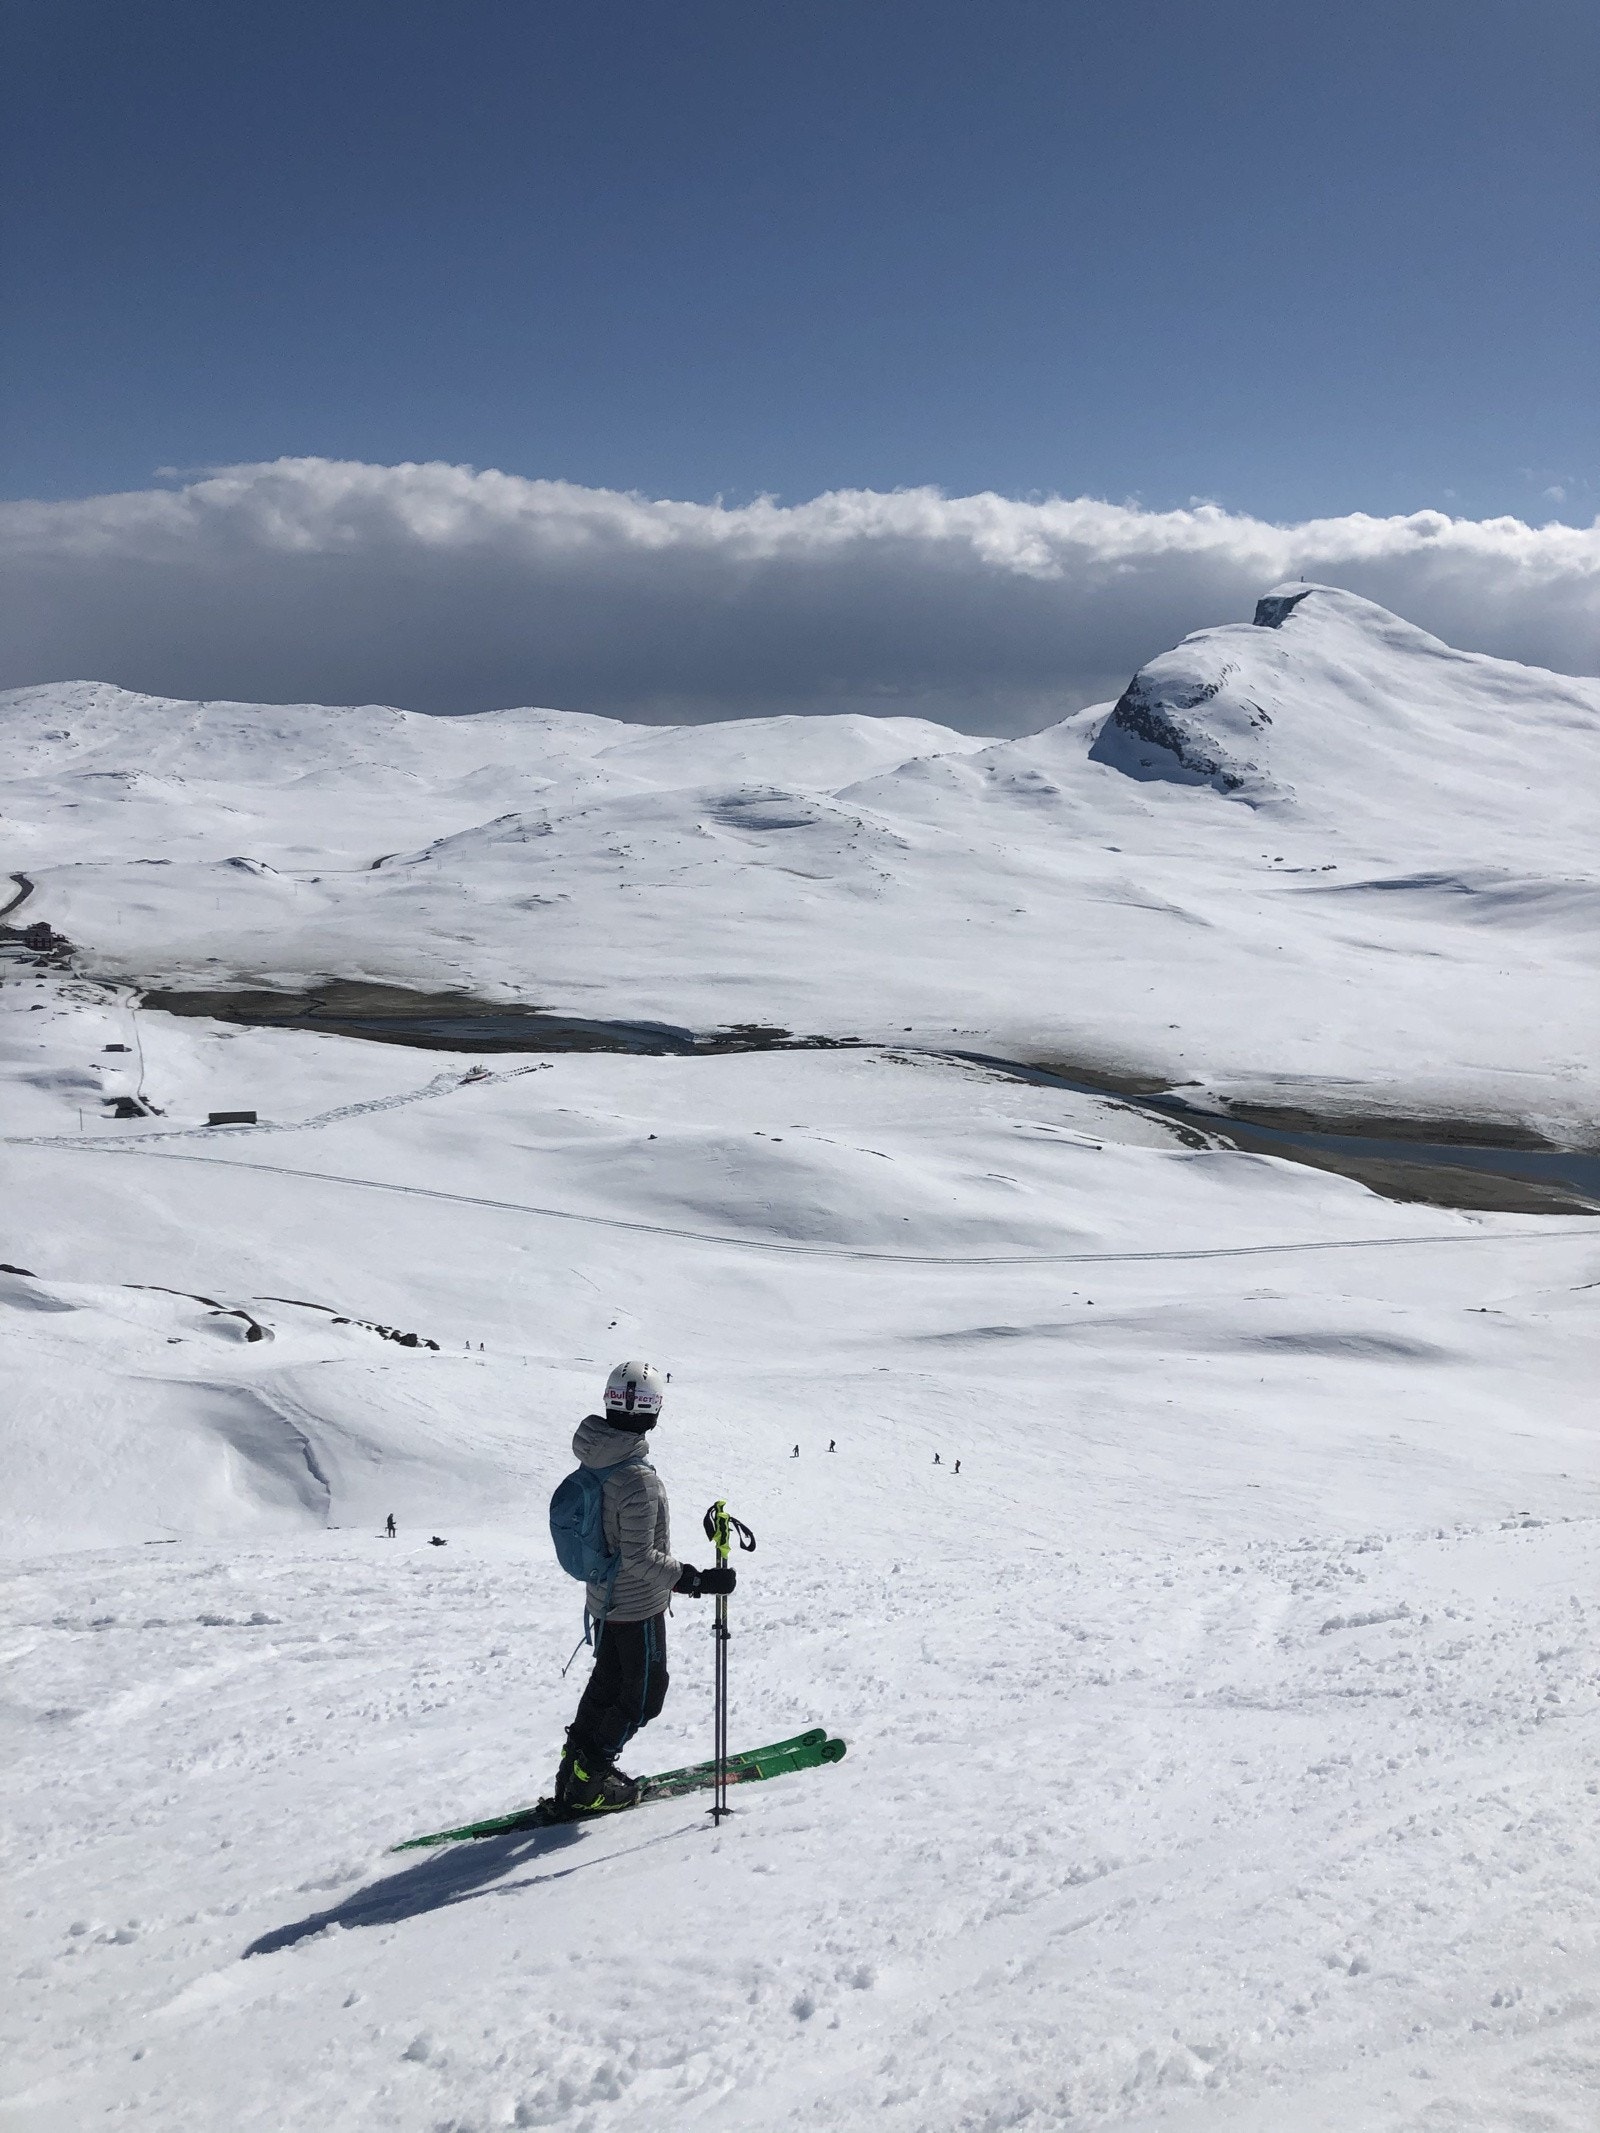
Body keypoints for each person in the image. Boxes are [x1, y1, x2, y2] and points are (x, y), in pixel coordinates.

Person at [554, 1360, 735, 1814]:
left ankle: (574, 1770)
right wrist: (696, 1580)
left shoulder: (598, 1457)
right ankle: (590, 1781)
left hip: (604, 1597)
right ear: (654, 1410)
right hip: (635, 1606)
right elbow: (638, 1558)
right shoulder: (636, 1477)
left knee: (607, 1686)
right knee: (642, 1698)